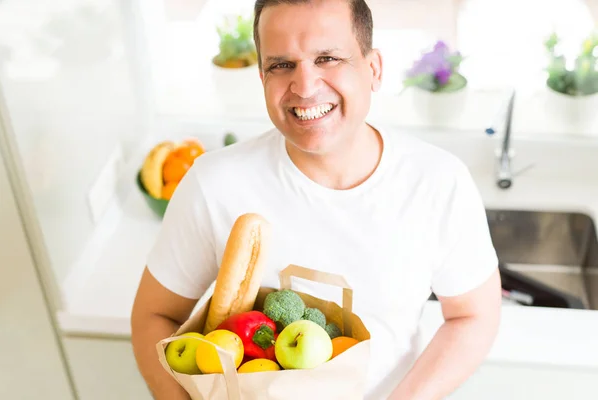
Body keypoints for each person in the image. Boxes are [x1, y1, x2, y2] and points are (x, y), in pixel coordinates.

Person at [130, 0, 502, 399]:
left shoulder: (437, 182)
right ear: (262, 78)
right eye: (281, 65)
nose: (305, 87)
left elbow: (473, 316)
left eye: (327, 58)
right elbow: (154, 315)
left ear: (373, 68)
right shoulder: (214, 184)